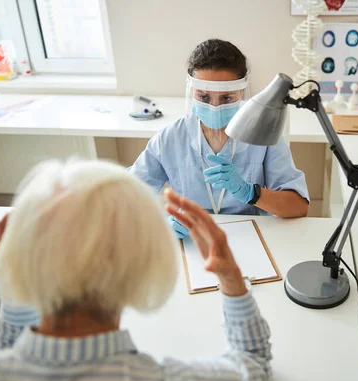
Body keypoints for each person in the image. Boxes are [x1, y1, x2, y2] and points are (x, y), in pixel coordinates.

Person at [0, 159, 272, 381]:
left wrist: (15, 275)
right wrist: (230, 276)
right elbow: (252, 363)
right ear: (144, 268)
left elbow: (8, 357)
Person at [128, 39, 309, 238]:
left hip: (250, 238)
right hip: (191, 239)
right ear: (192, 91)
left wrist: (250, 192)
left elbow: (298, 207)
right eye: (204, 97)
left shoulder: (262, 137)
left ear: (241, 91)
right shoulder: (169, 139)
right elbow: (126, 196)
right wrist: (160, 224)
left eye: (226, 98)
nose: (214, 107)